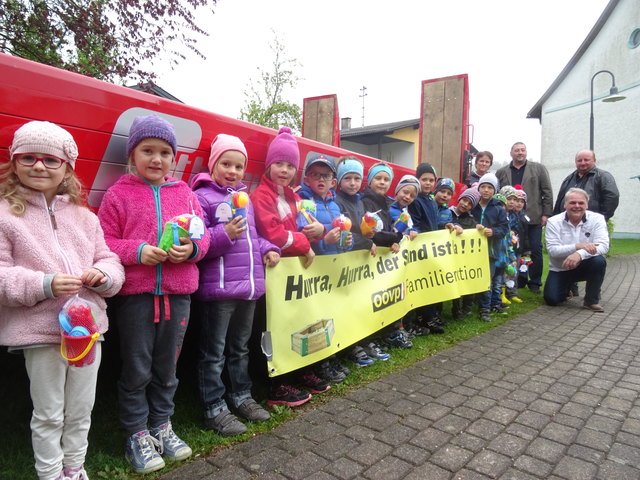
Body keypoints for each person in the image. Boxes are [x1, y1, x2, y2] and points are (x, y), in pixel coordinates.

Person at [0, 121, 125, 480]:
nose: (39, 166)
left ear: (67, 167)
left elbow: (109, 259)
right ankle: (51, 474)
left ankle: (74, 468)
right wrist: (44, 284)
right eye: (29, 157)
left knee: (81, 409)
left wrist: (104, 277)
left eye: (50, 160)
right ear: (15, 162)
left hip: (87, 330)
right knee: (49, 412)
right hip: (39, 331)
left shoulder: (85, 217)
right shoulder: (6, 214)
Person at [99, 115, 210, 474]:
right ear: (133, 154)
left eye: (165, 152)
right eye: (148, 150)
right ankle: (136, 432)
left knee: (167, 367)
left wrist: (190, 251)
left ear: (174, 159)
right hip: (137, 297)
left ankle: (162, 425)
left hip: (178, 295)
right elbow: (104, 241)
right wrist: (139, 252)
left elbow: (203, 237)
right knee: (137, 368)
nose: (157, 159)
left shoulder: (186, 195)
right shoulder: (118, 194)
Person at [191, 134, 280, 436]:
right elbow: (199, 244)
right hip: (219, 289)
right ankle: (213, 406)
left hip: (249, 287)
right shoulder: (202, 197)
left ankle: (241, 396)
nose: (232, 170)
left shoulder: (246, 199)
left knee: (240, 348)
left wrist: (269, 248)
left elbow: (251, 238)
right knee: (213, 351)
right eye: (226, 163)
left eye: (238, 166)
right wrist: (225, 233)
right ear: (213, 164)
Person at [250, 127, 327, 406]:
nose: (284, 170)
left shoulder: (295, 197)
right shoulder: (262, 195)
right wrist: (305, 243)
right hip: (272, 274)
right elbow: (273, 235)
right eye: (279, 163)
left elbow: (305, 226)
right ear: (269, 164)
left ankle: (296, 371)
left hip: (291, 273)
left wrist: (317, 229)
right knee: (272, 327)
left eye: (290, 165)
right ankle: (275, 384)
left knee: (295, 323)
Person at [496, 142, 553, 294]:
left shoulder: (538, 169)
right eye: (516, 150)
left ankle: (535, 282)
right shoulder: (502, 172)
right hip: (510, 220)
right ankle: (518, 280)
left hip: (533, 217)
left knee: (534, 249)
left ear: (526, 152)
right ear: (511, 153)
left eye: (522, 150)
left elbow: (547, 191)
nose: (520, 153)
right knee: (514, 250)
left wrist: (546, 213)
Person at [544, 188, 609, 312]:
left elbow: (603, 245)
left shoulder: (597, 219)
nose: (577, 206)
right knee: (551, 299)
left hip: (585, 265)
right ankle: (568, 287)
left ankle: (591, 301)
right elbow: (552, 250)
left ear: (587, 205)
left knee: (599, 261)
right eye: (572, 203)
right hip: (561, 267)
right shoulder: (553, 222)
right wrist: (578, 246)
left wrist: (579, 254)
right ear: (565, 205)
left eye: (581, 203)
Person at [471, 173, 509, 322]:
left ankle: (485, 309)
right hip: (472, 251)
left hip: (490, 252)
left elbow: (504, 228)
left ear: (495, 191)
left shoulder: (499, 209)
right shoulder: (473, 206)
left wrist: (493, 232)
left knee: (487, 279)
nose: (486, 190)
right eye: (483, 187)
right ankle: (466, 307)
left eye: (490, 187)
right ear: (479, 188)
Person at [553, 150, 619, 221]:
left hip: (591, 224)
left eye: (586, 160)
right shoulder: (569, 178)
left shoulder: (603, 177)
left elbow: (612, 198)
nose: (583, 163)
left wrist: (601, 219)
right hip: (566, 223)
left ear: (594, 160)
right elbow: (559, 200)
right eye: (579, 160)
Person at [449, 187, 481, 319]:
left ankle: (466, 308)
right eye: (464, 200)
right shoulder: (447, 213)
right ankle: (456, 309)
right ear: (459, 199)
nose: (465, 204)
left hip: (464, 257)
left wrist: (479, 228)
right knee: (454, 283)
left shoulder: (471, 220)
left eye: (469, 203)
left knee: (467, 282)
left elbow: (475, 233)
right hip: (450, 256)